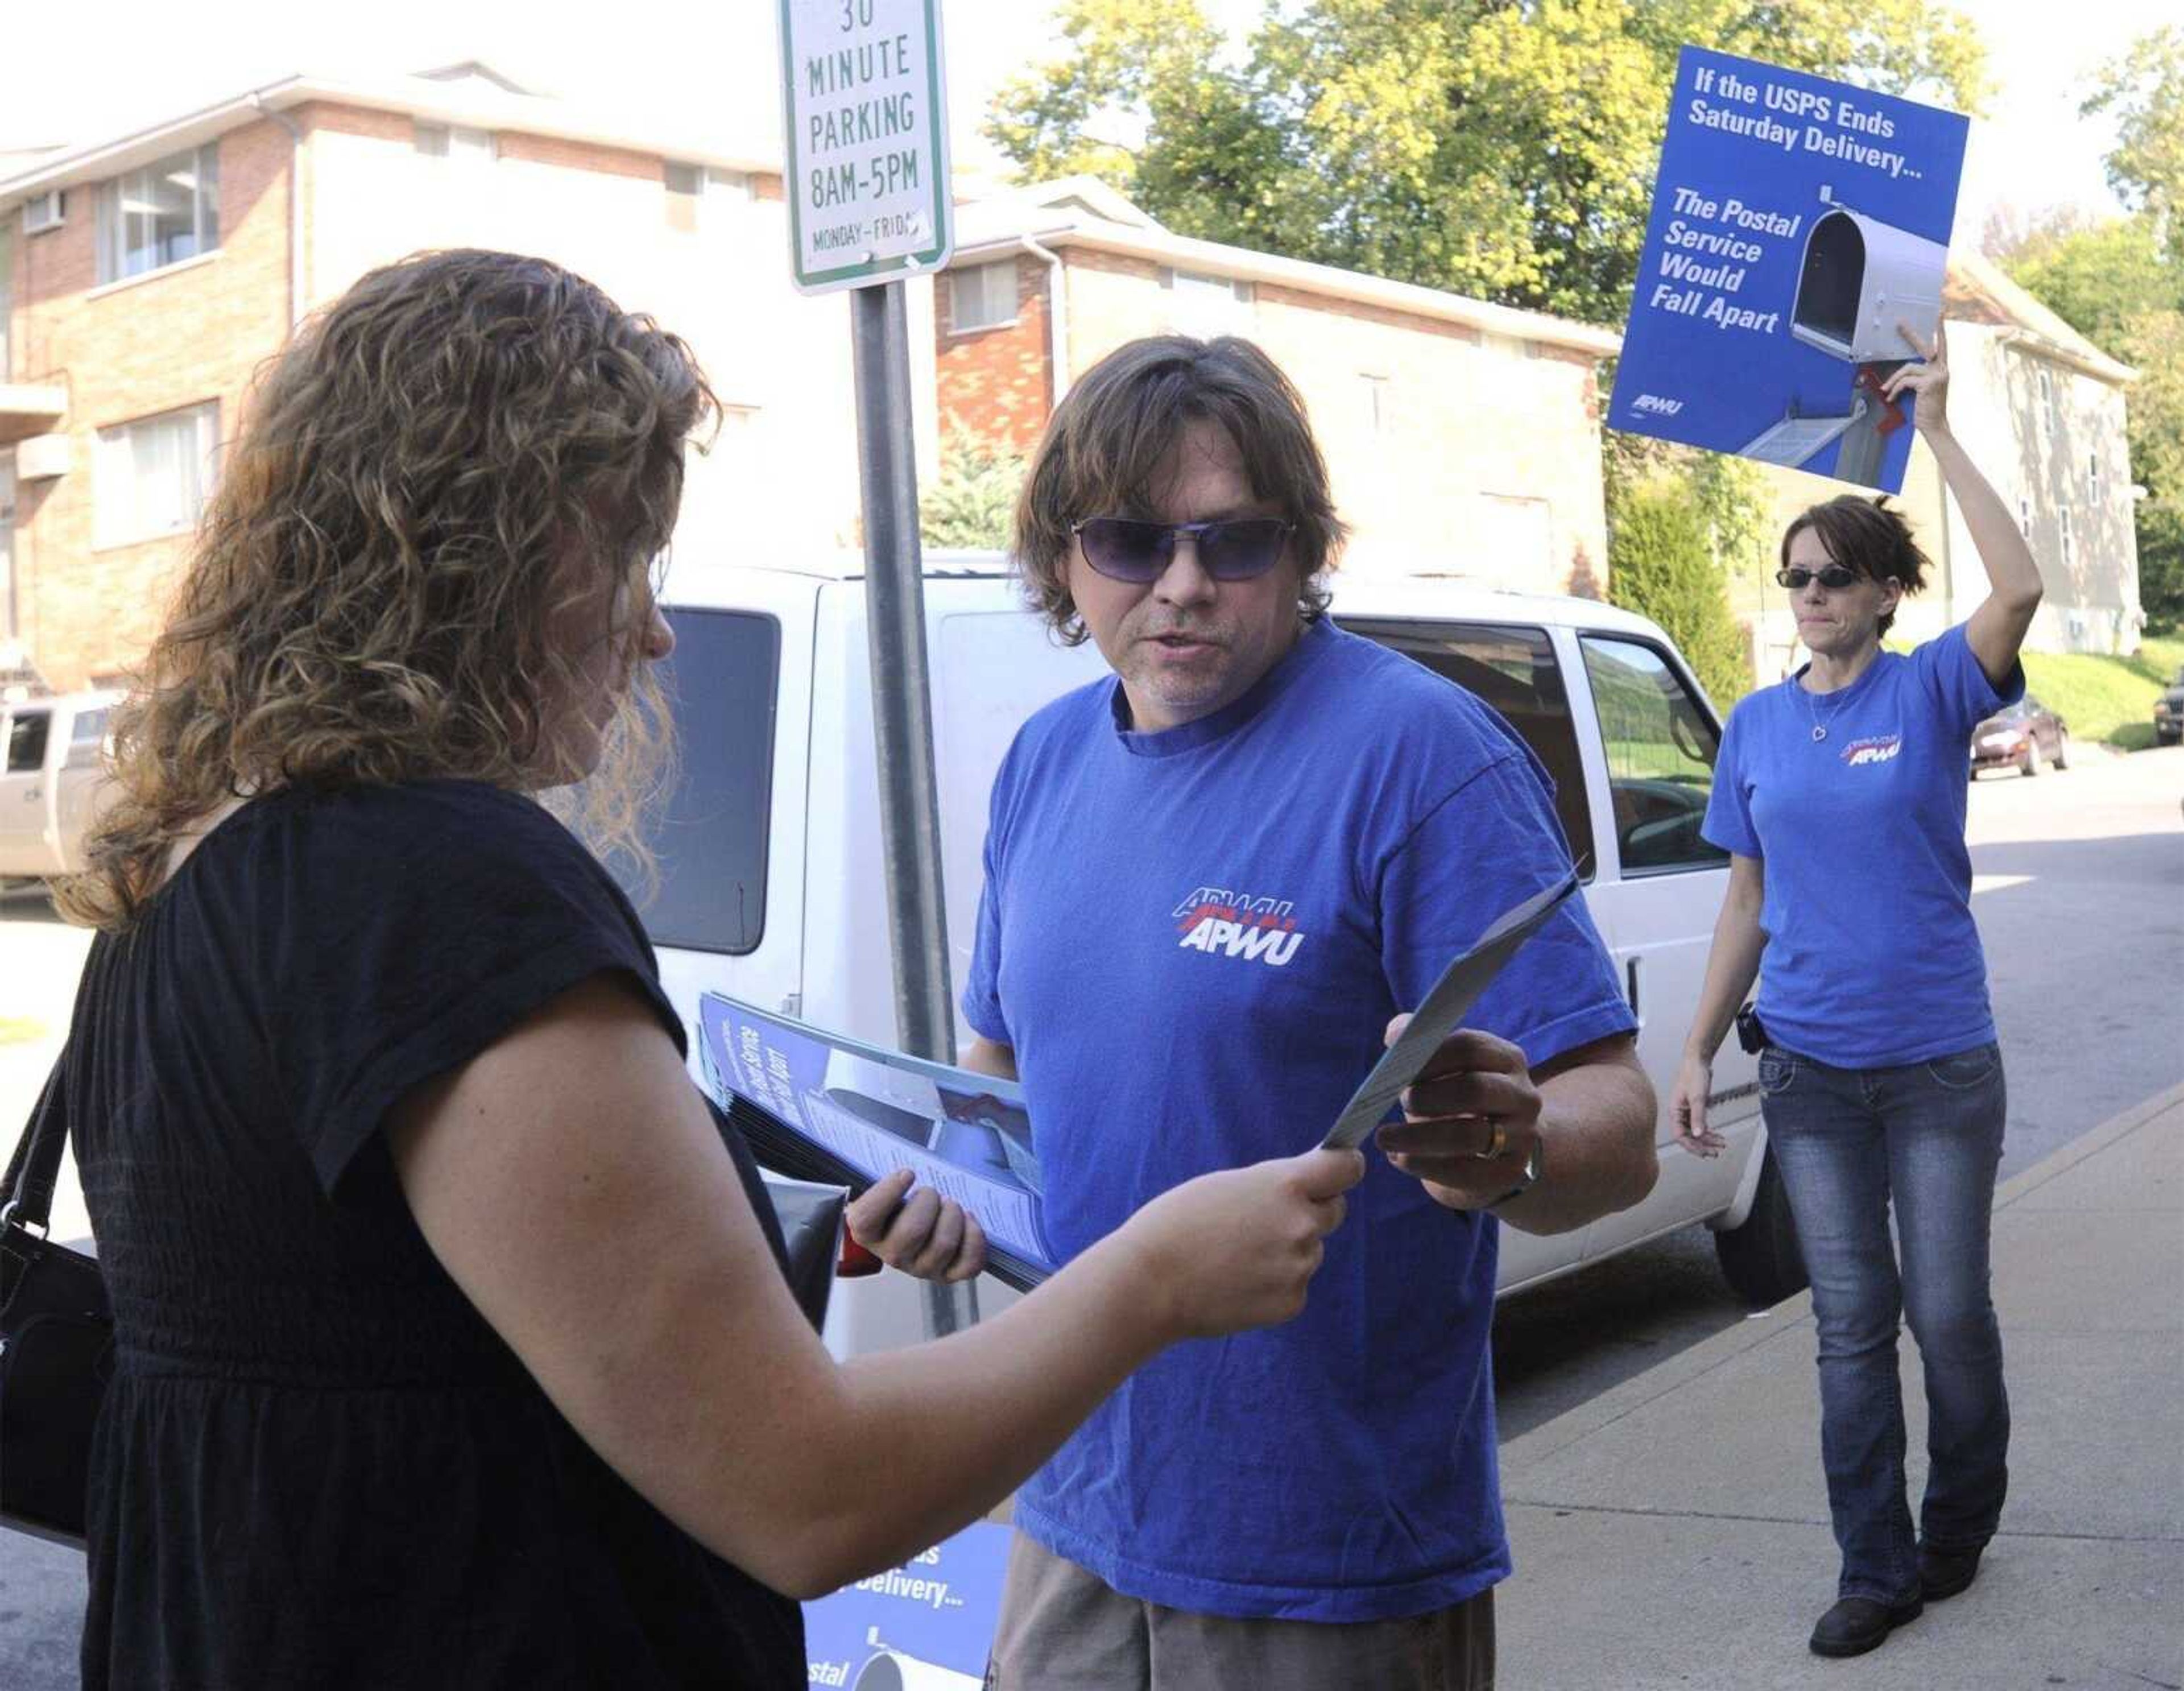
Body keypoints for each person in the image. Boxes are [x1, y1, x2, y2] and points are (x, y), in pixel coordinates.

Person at [51, 251, 1365, 1691]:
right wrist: (1155, 1277)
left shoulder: (186, 869)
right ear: (483, 549)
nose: (652, 624)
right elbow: (806, 1489)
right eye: (625, 553)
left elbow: (386, 1318)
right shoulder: (441, 894)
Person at [848, 333, 1659, 1690]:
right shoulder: (1047, 761)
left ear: (1301, 554)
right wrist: (951, 1191)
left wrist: (1516, 1149)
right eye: (1130, 539)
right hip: (1068, 1503)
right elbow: (999, 1063)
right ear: (1064, 556)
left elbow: (1620, 1124)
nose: (1181, 586)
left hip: (1325, 1554)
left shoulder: (1421, 755)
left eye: (1233, 544)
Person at [1670, 321, 2040, 1660]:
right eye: (1795, 578)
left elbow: (2022, 582)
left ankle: (1962, 1521)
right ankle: (1873, 1565)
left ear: (1886, 592)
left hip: (1940, 1064)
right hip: (1811, 1075)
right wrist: (1698, 1043)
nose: (1809, 594)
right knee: (1846, 1324)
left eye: (1833, 576)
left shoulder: (1935, 687)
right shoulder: (1761, 725)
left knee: (1946, 1313)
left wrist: (1936, 425)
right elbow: (1747, 901)